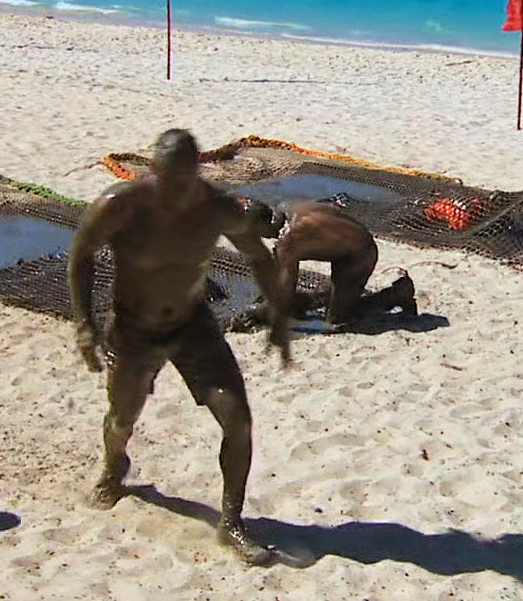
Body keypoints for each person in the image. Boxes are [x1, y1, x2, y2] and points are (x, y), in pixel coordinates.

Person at [68, 129, 293, 566]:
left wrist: (279, 317)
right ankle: (114, 467)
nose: (177, 194)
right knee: (121, 417)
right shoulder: (119, 205)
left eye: (186, 182)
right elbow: (82, 256)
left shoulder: (216, 208)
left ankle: (231, 522)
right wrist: (84, 325)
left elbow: (259, 256)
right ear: (153, 171)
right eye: (169, 182)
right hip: (133, 329)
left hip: (193, 326)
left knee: (238, 421)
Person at [243, 198, 416, 326]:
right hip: (348, 245)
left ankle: (397, 294)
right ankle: (321, 299)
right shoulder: (287, 206)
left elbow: (286, 288)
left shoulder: (288, 240)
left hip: (359, 254)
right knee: (332, 300)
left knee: (338, 319)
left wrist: (259, 313)